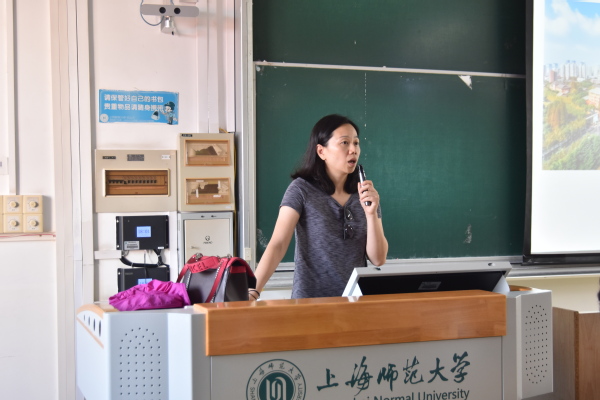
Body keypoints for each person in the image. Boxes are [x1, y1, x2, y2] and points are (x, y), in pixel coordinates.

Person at [248, 114, 388, 300]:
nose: (353, 150)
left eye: (356, 143)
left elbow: (378, 259)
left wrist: (371, 214)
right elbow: (278, 244)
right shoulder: (301, 189)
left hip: (354, 302)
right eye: (344, 143)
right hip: (310, 302)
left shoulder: (364, 194)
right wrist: (253, 290)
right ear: (321, 151)